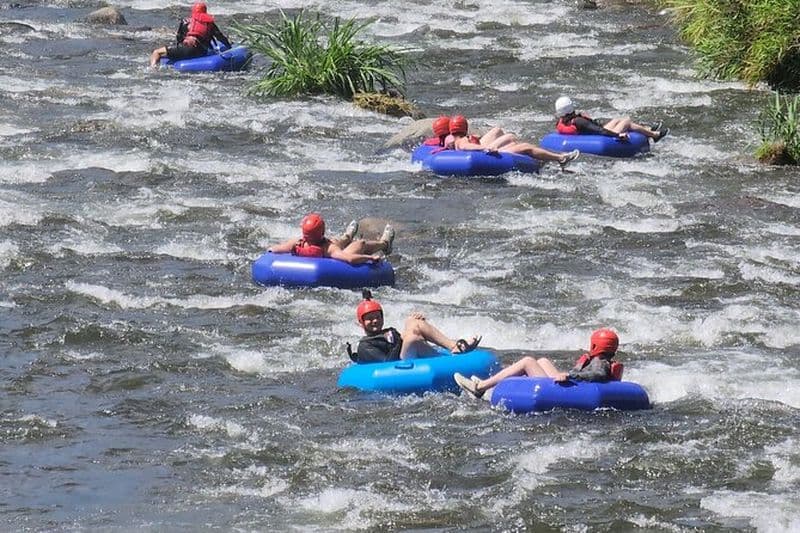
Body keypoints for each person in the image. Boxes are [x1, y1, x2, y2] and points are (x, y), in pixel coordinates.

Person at [454, 328, 623, 401]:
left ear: (595, 345)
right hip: (572, 387)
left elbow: (598, 375)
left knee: (527, 362)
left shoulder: (600, 363)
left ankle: (480, 387)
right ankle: (492, 384)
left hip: (565, 391)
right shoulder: (604, 360)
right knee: (542, 361)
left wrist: (570, 375)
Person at [346, 290, 482, 363]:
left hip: (404, 357)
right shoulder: (365, 346)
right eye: (369, 319)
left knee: (413, 323)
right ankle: (449, 361)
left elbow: (400, 342)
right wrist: (402, 338)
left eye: (377, 317)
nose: (375, 321)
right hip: (395, 367)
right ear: (361, 323)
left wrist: (412, 325)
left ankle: (454, 347)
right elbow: (387, 363)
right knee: (412, 339)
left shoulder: (388, 331)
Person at [446, 115, 580, 168]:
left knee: (507, 136)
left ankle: (542, 158)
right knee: (526, 147)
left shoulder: (455, 139)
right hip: (485, 155)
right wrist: (484, 148)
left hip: (483, 153)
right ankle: (560, 158)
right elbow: (466, 147)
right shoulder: (462, 142)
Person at [268, 213, 395, 265]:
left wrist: (268, 252)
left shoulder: (296, 243)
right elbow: (349, 259)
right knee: (360, 244)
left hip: (329, 250)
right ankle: (385, 243)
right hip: (334, 260)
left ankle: (348, 236)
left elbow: (274, 249)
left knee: (335, 241)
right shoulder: (329, 248)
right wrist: (369, 258)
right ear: (322, 231)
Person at [149, 2, 232, 68]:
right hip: (202, 52)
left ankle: (152, 69)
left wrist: (179, 48)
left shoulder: (185, 21)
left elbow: (179, 38)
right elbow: (220, 37)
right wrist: (229, 46)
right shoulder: (210, 23)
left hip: (187, 50)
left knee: (156, 52)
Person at [554, 96, 669, 142]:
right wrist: (618, 135)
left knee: (617, 120)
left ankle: (647, 129)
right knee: (626, 122)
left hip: (593, 133)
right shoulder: (579, 121)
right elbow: (600, 131)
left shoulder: (564, 121)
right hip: (599, 136)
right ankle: (654, 135)